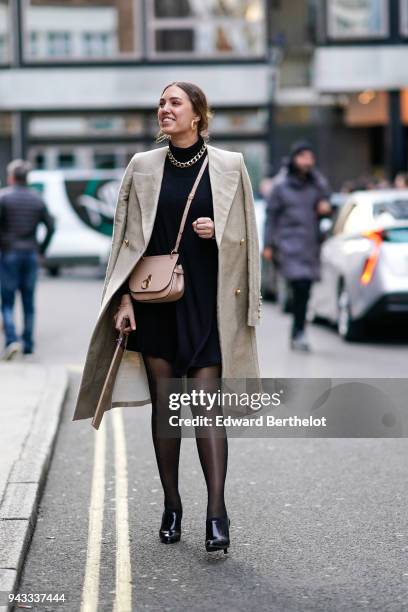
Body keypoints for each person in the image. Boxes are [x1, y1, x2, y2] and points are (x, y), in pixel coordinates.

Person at [72, 82, 261, 554]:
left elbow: (247, 237)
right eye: (161, 102)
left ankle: (216, 512)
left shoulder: (229, 165)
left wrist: (218, 230)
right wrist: (123, 301)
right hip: (156, 304)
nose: (164, 109)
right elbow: (124, 242)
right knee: (167, 411)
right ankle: (172, 504)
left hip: (207, 304)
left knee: (205, 408)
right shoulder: (142, 166)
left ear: (198, 115)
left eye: (175, 102)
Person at [263, 141, 331, 351]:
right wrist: (268, 244)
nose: (307, 161)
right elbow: (271, 216)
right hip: (288, 243)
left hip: (310, 243)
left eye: (310, 157)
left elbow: (328, 205)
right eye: (303, 157)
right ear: (294, 159)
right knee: (300, 286)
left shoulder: (317, 183)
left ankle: (297, 330)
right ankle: (299, 331)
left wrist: (326, 207)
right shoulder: (281, 186)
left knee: (306, 289)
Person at [0, 159, 55, 360]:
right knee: (28, 302)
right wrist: (41, 249)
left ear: (11, 177)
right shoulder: (37, 199)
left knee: (7, 302)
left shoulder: (3, 198)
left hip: (8, 254)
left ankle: (11, 341)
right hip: (31, 254)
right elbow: (51, 227)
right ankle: (29, 347)